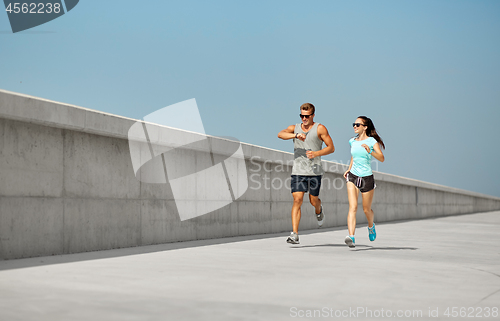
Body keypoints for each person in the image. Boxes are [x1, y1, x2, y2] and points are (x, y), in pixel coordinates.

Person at [278, 103, 335, 244]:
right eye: (302, 116)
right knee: (297, 200)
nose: (304, 118)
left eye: (307, 116)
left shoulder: (320, 128)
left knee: (313, 200)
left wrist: (316, 153)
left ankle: (318, 209)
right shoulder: (295, 128)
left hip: (314, 171)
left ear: (313, 115)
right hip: (298, 171)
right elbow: (280, 134)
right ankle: (294, 234)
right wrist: (296, 135)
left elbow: (331, 148)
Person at [343, 116, 385, 248]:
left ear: (365, 127)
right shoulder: (352, 141)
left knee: (366, 209)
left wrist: (370, 151)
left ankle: (371, 226)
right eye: (354, 124)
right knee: (353, 207)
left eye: (357, 124)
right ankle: (351, 236)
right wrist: (348, 170)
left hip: (367, 178)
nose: (354, 126)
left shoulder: (372, 141)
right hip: (353, 176)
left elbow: (382, 158)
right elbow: (353, 156)